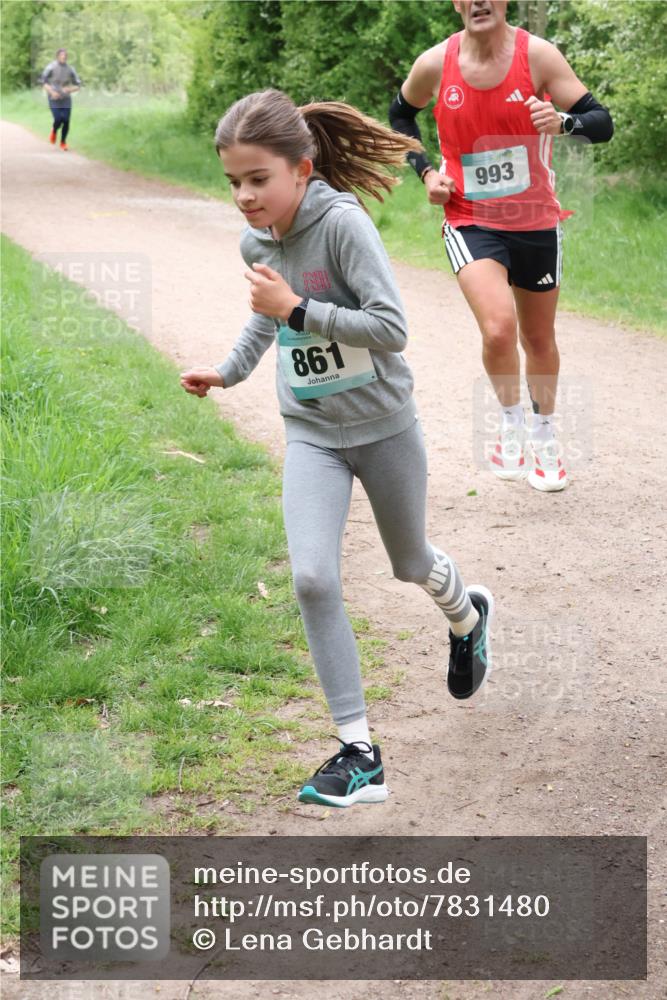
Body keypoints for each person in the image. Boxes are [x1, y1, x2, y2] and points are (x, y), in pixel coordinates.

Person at [180, 89, 494, 809]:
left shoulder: (343, 226)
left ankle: (466, 613)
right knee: (313, 578)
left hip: (383, 425)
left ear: (301, 167)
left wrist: (297, 307)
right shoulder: (256, 241)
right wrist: (227, 371)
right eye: (233, 181)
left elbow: (388, 328)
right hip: (313, 433)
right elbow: (269, 316)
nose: (244, 196)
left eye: (257, 178)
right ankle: (360, 753)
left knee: (409, 562)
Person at [389, 0, 613, 492]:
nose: (479, 1)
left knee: (537, 340)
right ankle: (511, 423)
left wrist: (564, 123)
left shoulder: (539, 57)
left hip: (535, 220)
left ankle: (546, 433)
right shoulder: (434, 64)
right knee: (498, 329)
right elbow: (400, 115)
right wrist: (427, 172)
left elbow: (602, 121)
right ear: (456, 4)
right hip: (470, 218)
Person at [38, 48, 82, 151]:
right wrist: (52, 92)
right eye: (62, 55)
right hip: (54, 97)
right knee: (58, 119)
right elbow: (42, 82)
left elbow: (79, 85)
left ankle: (63, 142)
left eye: (65, 55)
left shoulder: (70, 69)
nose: (64, 57)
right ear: (57, 56)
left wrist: (70, 89)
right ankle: (54, 130)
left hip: (66, 98)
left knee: (66, 120)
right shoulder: (51, 67)